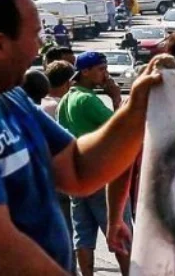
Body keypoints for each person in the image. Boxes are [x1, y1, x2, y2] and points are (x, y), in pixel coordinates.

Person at [57, 52, 132, 276]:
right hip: (101, 177)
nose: (105, 74)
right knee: (120, 230)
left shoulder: (66, 99)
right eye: (100, 69)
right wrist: (116, 98)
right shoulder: (87, 99)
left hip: (78, 178)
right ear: (85, 71)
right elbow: (121, 128)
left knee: (83, 235)